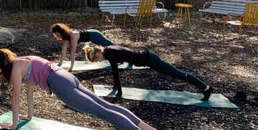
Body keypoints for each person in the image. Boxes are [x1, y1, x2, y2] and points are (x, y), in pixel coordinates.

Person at [0, 48, 159, 130]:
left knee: (101, 112)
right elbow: (30, 91)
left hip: (60, 84)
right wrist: (29, 115)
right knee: (106, 106)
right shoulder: (24, 60)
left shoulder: (16, 69)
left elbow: (15, 98)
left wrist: (13, 124)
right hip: (66, 76)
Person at [83, 44, 213, 100]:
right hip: (148, 57)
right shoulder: (109, 49)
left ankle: (206, 88)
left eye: (97, 58)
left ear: (98, 52)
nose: (99, 60)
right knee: (174, 73)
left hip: (150, 59)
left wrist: (118, 94)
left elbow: (115, 73)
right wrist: (115, 88)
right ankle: (205, 87)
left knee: (177, 73)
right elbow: (118, 69)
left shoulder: (110, 54)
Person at [51, 23, 115, 70]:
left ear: (61, 31)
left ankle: (123, 55)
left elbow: (73, 53)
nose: (56, 35)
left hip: (95, 35)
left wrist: (71, 68)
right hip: (91, 38)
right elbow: (63, 50)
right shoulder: (65, 37)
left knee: (112, 47)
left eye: (56, 33)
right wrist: (60, 63)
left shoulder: (73, 35)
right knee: (108, 48)